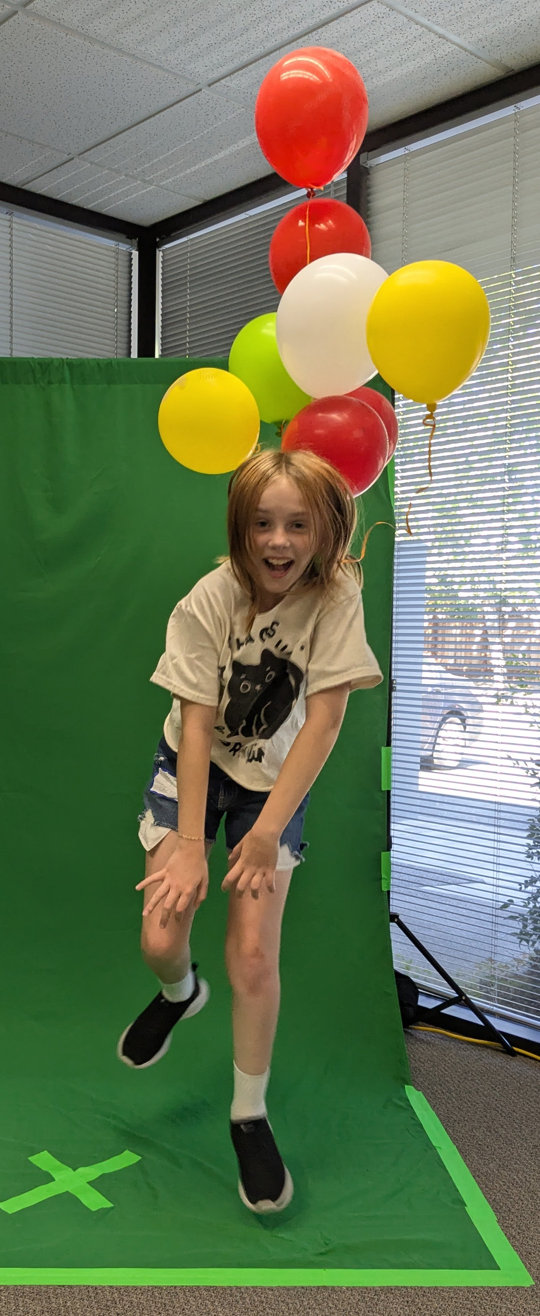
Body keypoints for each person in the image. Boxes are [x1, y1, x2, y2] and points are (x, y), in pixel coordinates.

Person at [117, 447, 382, 1214]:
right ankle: (178, 992)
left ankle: (249, 1113)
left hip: (275, 780)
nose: (279, 541)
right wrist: (192, 841)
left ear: (325, 529)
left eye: (298, 524)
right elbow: (196, 725)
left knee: (253, 952)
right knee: (161, 938)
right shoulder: (207, 600)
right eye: (263, 523)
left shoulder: (337, 597)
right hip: (195, 766)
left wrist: (264, 833)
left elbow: (325, 718)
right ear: (241, 528)